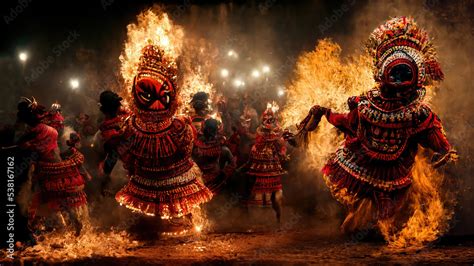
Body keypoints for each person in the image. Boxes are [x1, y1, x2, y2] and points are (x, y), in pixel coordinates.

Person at [285, 17, 458, 233]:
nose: (399, 80)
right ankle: (361, 228)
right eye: (395, 74)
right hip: (363, 162)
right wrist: (326, 114)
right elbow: (349, 123)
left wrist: (443, 149)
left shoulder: (418, 113)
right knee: (358, 210)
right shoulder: (367, 103)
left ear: (416, 77)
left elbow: (432, 135)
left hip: (395, 171)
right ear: (383, 73)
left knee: (385, 211)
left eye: (405, 75)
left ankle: (378, 229)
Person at [104, 45, 213, 234]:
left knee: (154, 206)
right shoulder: (178, 124)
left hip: (148, 175)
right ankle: (191, 226)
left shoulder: (131, 125)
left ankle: (158, 228)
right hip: (174, 173)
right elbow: (188, 149)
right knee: (185, 202)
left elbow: (127, 154)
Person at [17, 97, 88, 236]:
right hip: (56, 166)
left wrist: (27, 145)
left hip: (48, 169)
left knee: (49, 199)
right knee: (58, 200)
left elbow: (25, 145)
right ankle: (71, 225)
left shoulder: (36, 131)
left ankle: (61, 228)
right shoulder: (49, 128)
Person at [242, 102, 288, 223]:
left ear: (274, 119)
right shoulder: (261, 130)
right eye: (266, 118)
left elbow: (281, 144)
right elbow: (255, 139)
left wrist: (282, 151)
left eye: (270, 118)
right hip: (260, 164)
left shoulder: (276, 131)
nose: (267, 120)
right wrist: (246, 129)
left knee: (274, 193)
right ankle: (257, 219)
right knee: (258, 189)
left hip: (272, 164)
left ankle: (276, 218)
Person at [192, 118, 235, 194]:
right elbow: (232, 164)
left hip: (201, 179)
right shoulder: (220, 144)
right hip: (213, 178)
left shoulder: (197, 143)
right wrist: (223, 174)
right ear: (217, 130)